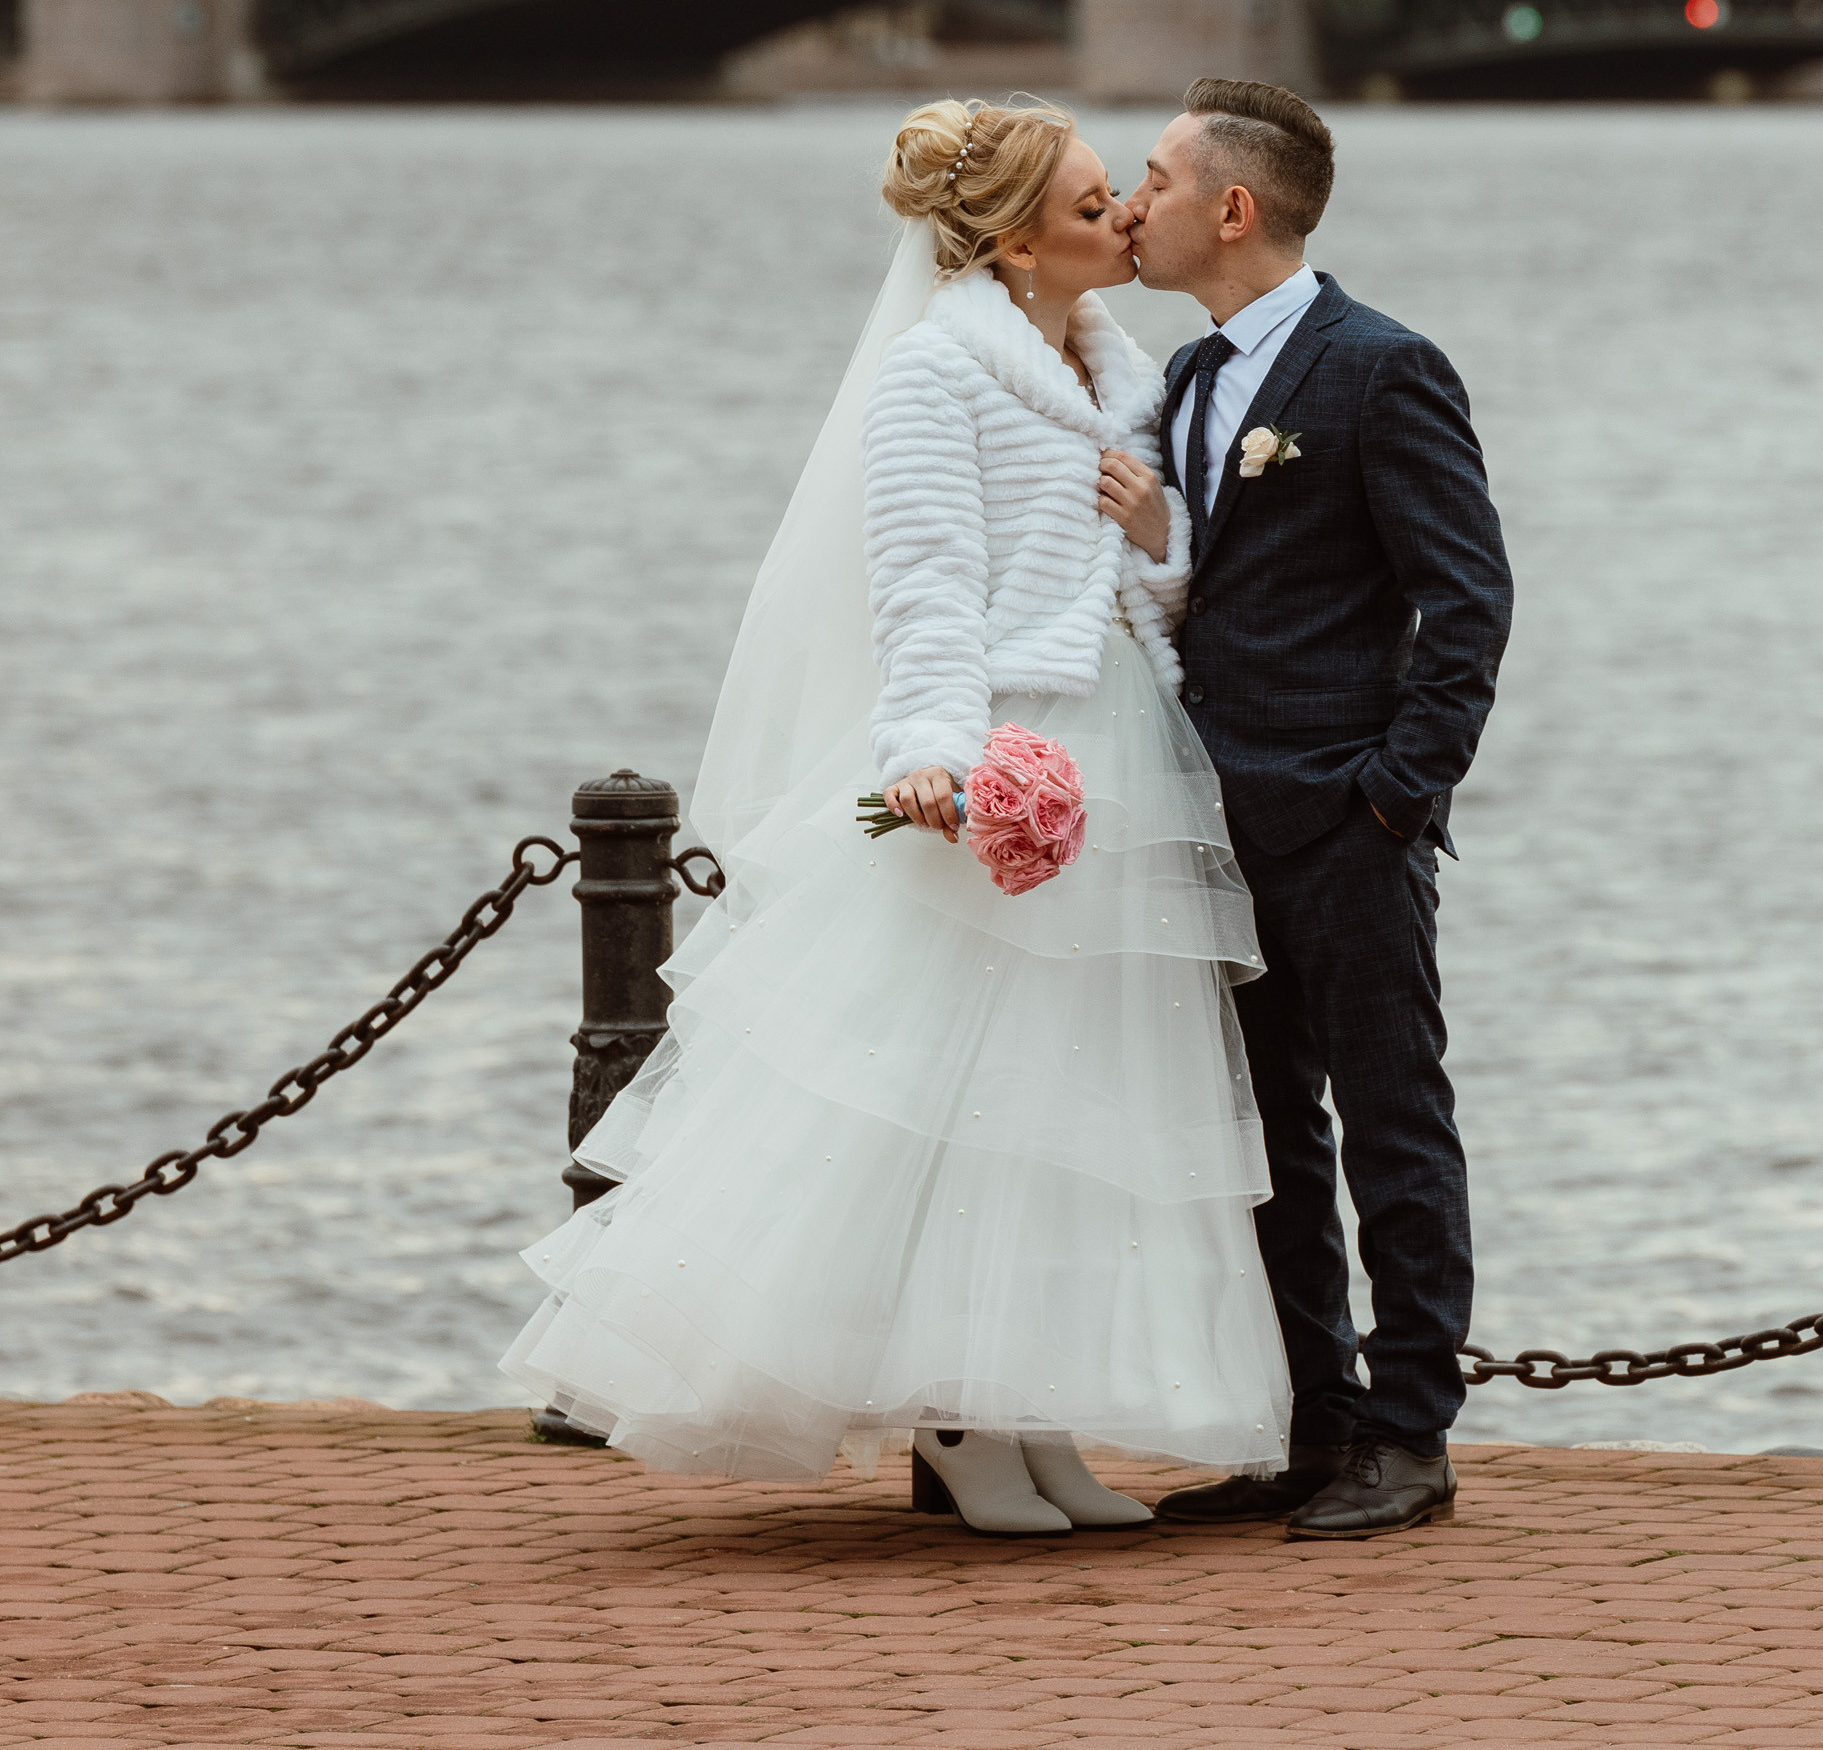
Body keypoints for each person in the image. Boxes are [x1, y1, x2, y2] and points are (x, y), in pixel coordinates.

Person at [501, 96, 1288, 1534]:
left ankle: (1037, 1416)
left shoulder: (1128, 374)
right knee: (961, 1095)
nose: (1123, 219)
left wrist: (1160, 542)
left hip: (1117, 731)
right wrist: (940, 757)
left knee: (1076, 1096)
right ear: (1005, 240)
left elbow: (1141, 590)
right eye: (1091, 202)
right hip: (1007, 738)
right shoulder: (939, 375)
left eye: (1123, 191)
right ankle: (961, 1425)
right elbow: (921, 588)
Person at [1121, 77, 1513, 1540]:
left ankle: (1410, 1437)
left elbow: (1466, 600)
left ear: (1234, 206)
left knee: (1393, 1126)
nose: (1128, 200)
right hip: (1208, 817)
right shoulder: (1185, 373)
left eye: (1153, 177)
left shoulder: (1379, 367)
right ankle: (1312, 1428)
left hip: (1346, 820)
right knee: (1263, 1135)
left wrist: (1399, 797)